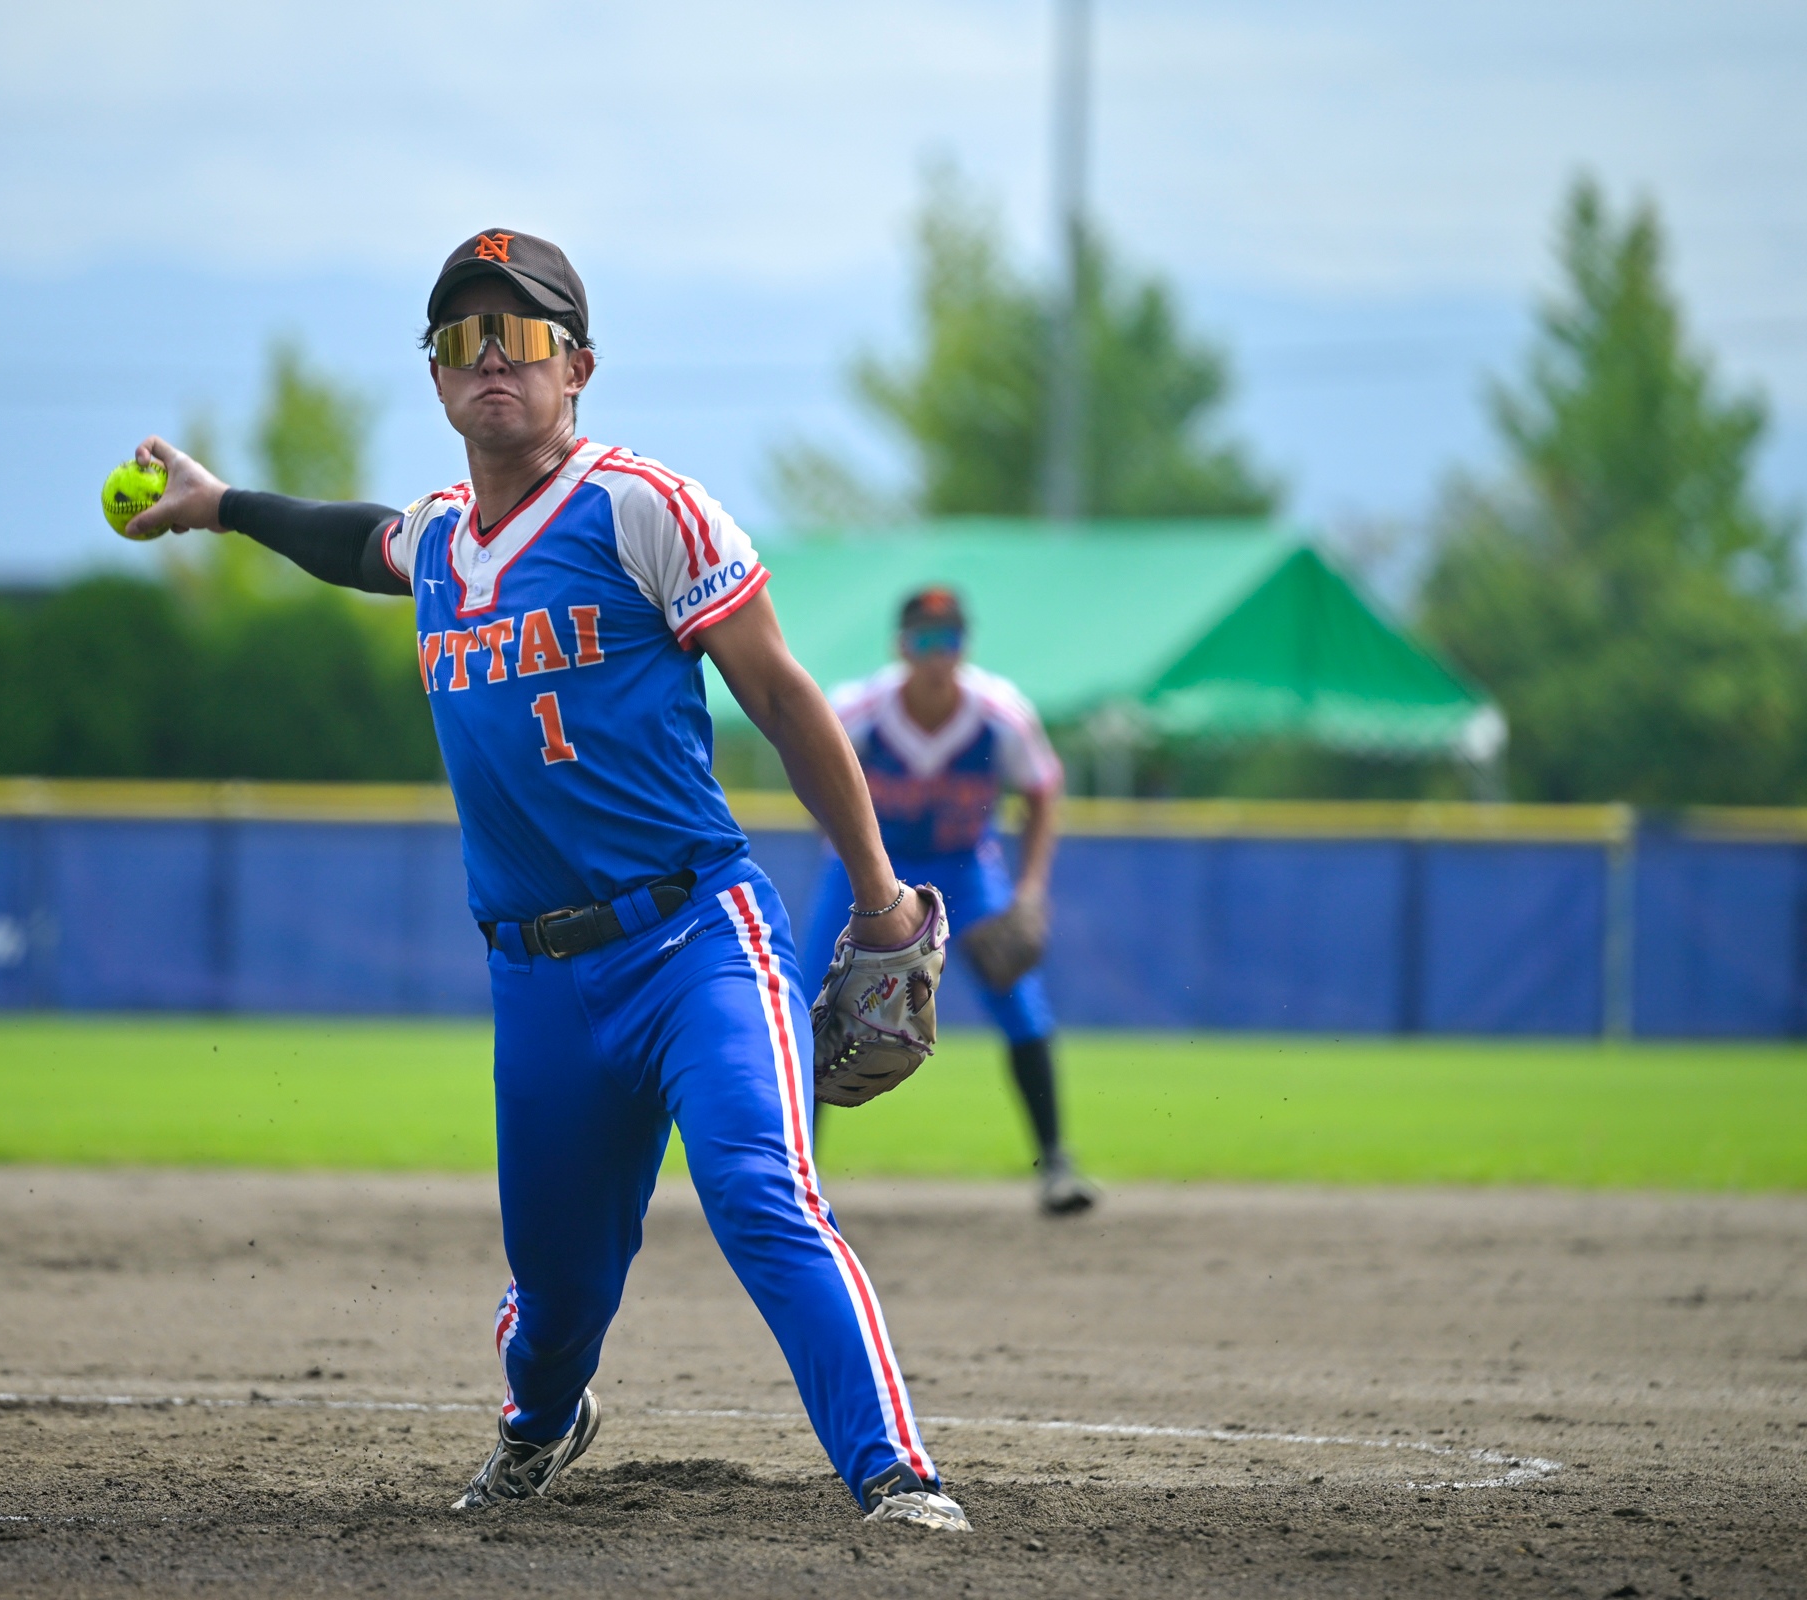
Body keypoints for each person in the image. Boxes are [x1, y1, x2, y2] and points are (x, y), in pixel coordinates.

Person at [118, 229, 966, 1532]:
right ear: (437, 375)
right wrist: (221, 503)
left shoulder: (642, 509)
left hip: (695, 936)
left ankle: (895, 1475)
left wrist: (878, 895)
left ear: (578, 367)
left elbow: (786, 701)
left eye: (519, 336)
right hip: (539, 980)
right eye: (463, 339)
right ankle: (543, 1422)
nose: (490, 360)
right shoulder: (442, 542)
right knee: (559, 1299)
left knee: (759, 1189)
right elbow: (355, 541)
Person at [814, 587, 1097, 1216]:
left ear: (965, 647)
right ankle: (796, 1173)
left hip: (966, 868)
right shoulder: (860, 708)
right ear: (901, 646)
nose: (938, 653)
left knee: (1020, 1003)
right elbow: (811, 769)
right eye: (925, 638)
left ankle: (1056, 1163)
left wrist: (1029, 891)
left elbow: (1042, 790)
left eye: (950, 639)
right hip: (870, 866)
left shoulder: (999, 713)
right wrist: (848, 850)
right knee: (815, 1001)